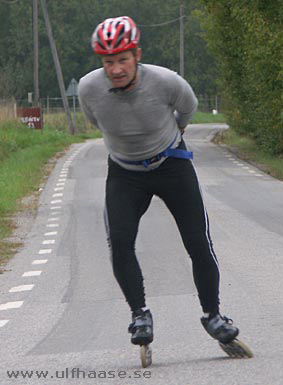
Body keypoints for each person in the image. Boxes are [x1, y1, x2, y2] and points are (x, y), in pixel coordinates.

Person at [78, 16, 239, 347]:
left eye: (123, 59)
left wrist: (172, 135)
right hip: (125, 173)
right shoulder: (88, 89)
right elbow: (95, 120)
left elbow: (188, 109)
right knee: (120, 242)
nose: (116, 69)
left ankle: (214, 315)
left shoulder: (166, 81)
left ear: (137, 55)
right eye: (109, 62)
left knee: (198, 241)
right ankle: (139, 314)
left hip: (171, 166)